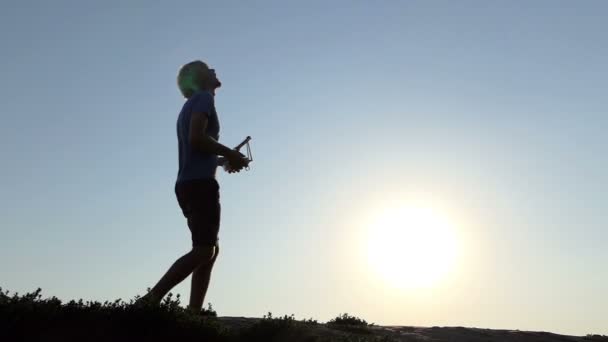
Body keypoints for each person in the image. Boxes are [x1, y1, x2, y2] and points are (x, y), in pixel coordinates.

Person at [137, 60, 249, 314]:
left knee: (210, 249)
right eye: (208, 68)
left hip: (189, 184)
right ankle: (148, 303)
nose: (214, 70)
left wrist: (222, 161)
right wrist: (230, 153)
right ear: (200, 77)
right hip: (199, 186)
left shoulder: (192, 104)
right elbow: (197, 138)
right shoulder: (203, 99)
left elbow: (197, 148)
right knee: (203, 250)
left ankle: (194, 313)